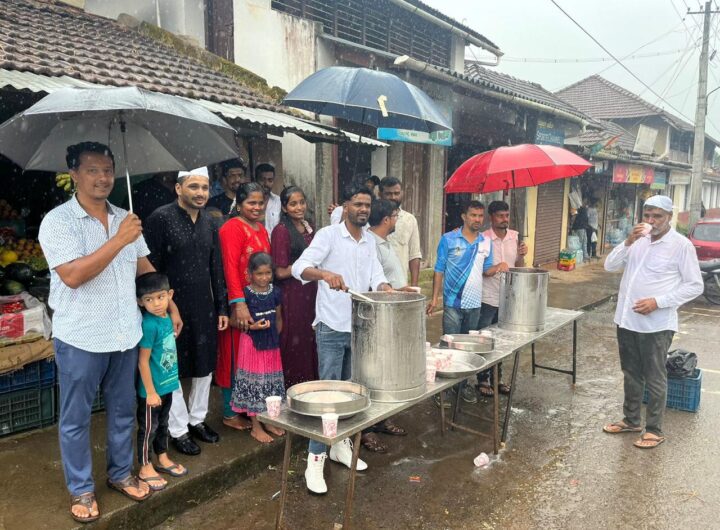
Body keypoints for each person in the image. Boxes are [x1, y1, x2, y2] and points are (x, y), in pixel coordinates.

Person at [39, 142, 182, 523]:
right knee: (76, 417)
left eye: (107, 170)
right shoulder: (58, 221)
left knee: (122, 410)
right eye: (92, 170)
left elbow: (143, 266)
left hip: (126, 334)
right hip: (81, 337)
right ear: (74, 174)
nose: (102, 178)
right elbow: (73, 276)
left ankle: (120, 473)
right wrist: (118, 239)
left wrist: (169, 302)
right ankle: (81, 488)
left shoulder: (125, 217)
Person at [292, 183, 391, 495]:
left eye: (367, 205)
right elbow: (299, 267)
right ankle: (315, 460)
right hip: (332, 326)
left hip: (358, 327)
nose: (363, 209)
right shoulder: (328, 236)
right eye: (357, 204)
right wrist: (325, 274)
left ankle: (340, 447)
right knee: (327, 398)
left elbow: (376, 274)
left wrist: (385, 287)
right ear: (346, 206)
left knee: (349, 395)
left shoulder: (369, 240)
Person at [602, 195, 703, 449]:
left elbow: (695, 285)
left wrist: (658, 302)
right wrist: (627, 241)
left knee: (654, 377)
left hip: (656, 325)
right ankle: (631, 420)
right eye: (647, 215)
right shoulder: (638, 241)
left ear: (669, 217)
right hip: (626, 320)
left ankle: (654, 430)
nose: (651, 221)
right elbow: (609, 266)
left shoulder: (681, 246)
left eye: (657, 216)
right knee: (631, 373)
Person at [144, 167, 228, 456]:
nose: (200, 193)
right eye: (193, 187)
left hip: (204, 306)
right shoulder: (160, 219)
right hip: (169, 308)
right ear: (178, 189)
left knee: (205, 365)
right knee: (173, 367)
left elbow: (216, 267)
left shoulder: (210, 222)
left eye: (204, 187)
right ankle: (178, 429)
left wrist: (222, 306)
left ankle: (197, 419)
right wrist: (161, 305)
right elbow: (150, 268)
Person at [427, 200, 494, 406]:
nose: (477, 220)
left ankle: (462, 386)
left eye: (480, 216)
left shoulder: (485, 242)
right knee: (449, 348)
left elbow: (486, 270)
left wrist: (501, 265)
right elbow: (439, 269)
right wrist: (435, 298)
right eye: (473, 215)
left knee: (467, 350)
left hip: (474, 305)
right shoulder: (448, 239)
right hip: (452, 304)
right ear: (464, 216)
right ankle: (443, 390)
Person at [217, 182, 271, 431]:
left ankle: (250, 409)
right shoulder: (232, 228)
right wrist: (237, 303)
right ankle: (230, 413)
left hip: (259, 301)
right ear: (239, 205)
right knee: (234, 357)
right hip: (239, 302)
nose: (257, 207)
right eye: (251, 203)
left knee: (253, 359)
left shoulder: (261, 228)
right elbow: (229, 267)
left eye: (260, 203)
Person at [361, 199, 410, 453]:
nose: (397, 219)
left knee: (386, 371)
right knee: (372, 372)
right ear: (386, 219)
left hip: (393, 314)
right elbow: (374, 285)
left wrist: (403, 290)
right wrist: (396, 291)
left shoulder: (385, 242)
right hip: (378, 318)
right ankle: (367, 428)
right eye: (395, 216)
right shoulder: (371, 245)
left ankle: (381, 419)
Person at [135, 272, 187, 492]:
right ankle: (145, 466)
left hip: (167, 385)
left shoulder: (167, 319)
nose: (156, 304)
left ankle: (162, 457)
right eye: (149, 299)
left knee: (163, 423)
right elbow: (143, 361)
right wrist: (149, 391)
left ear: (170, 295)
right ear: (140, 302)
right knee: (149, 428)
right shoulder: (149, 325)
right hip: (151, 390)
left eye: (160, 297)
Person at [230, 252, 286, 443]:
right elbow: (233, 321)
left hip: (271, 346)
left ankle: (269, 421)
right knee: (255, 385)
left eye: (267, 273)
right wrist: (251, 327)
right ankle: (256, 427)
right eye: (259, 273)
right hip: (252, 345)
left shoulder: (276, 292)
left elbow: (278, 318)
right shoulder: (244, 295)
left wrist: (275, 340)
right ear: (250, 274)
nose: (264, 278)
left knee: (270, 385)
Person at [475, 201, 528, 400]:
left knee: (501, 341)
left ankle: (497, 378)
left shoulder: (515, 237)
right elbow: (480, 269)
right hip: (488, 297)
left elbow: (519, 267)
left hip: (508, 298)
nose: (504, 219)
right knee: (485, 339)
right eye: (500, 216)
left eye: (506, 215)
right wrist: (498, 267)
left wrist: (522, 256)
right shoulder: (483, 239)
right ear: (491, 217)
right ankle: (483, 380)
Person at [270, 186, 318, 388]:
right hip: (292, 294)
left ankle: (311, 386)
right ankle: (294, 387)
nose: (299, 207)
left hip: (310, 291)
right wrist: (304, 268)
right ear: (284, 207)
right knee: (294, 340)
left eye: (302, 202)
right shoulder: (281, 231)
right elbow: (280, 272)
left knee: (309, 338)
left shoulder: (309, 227)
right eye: (293, 204)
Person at [379, 176, 422, 287]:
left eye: (396, 193)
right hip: (376, 286)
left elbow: (414, 255)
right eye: (388, 194)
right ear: (380, 194)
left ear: (402, 193)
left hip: (401, 285)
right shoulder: (372, 218)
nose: (393, 197)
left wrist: (414, 286)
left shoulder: (409, 219)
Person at [255, 163, 281, 236]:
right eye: (262, 180)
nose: (266, 184)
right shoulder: (247, 203)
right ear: (255, 180)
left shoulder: (279, 202)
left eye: (270, 180)